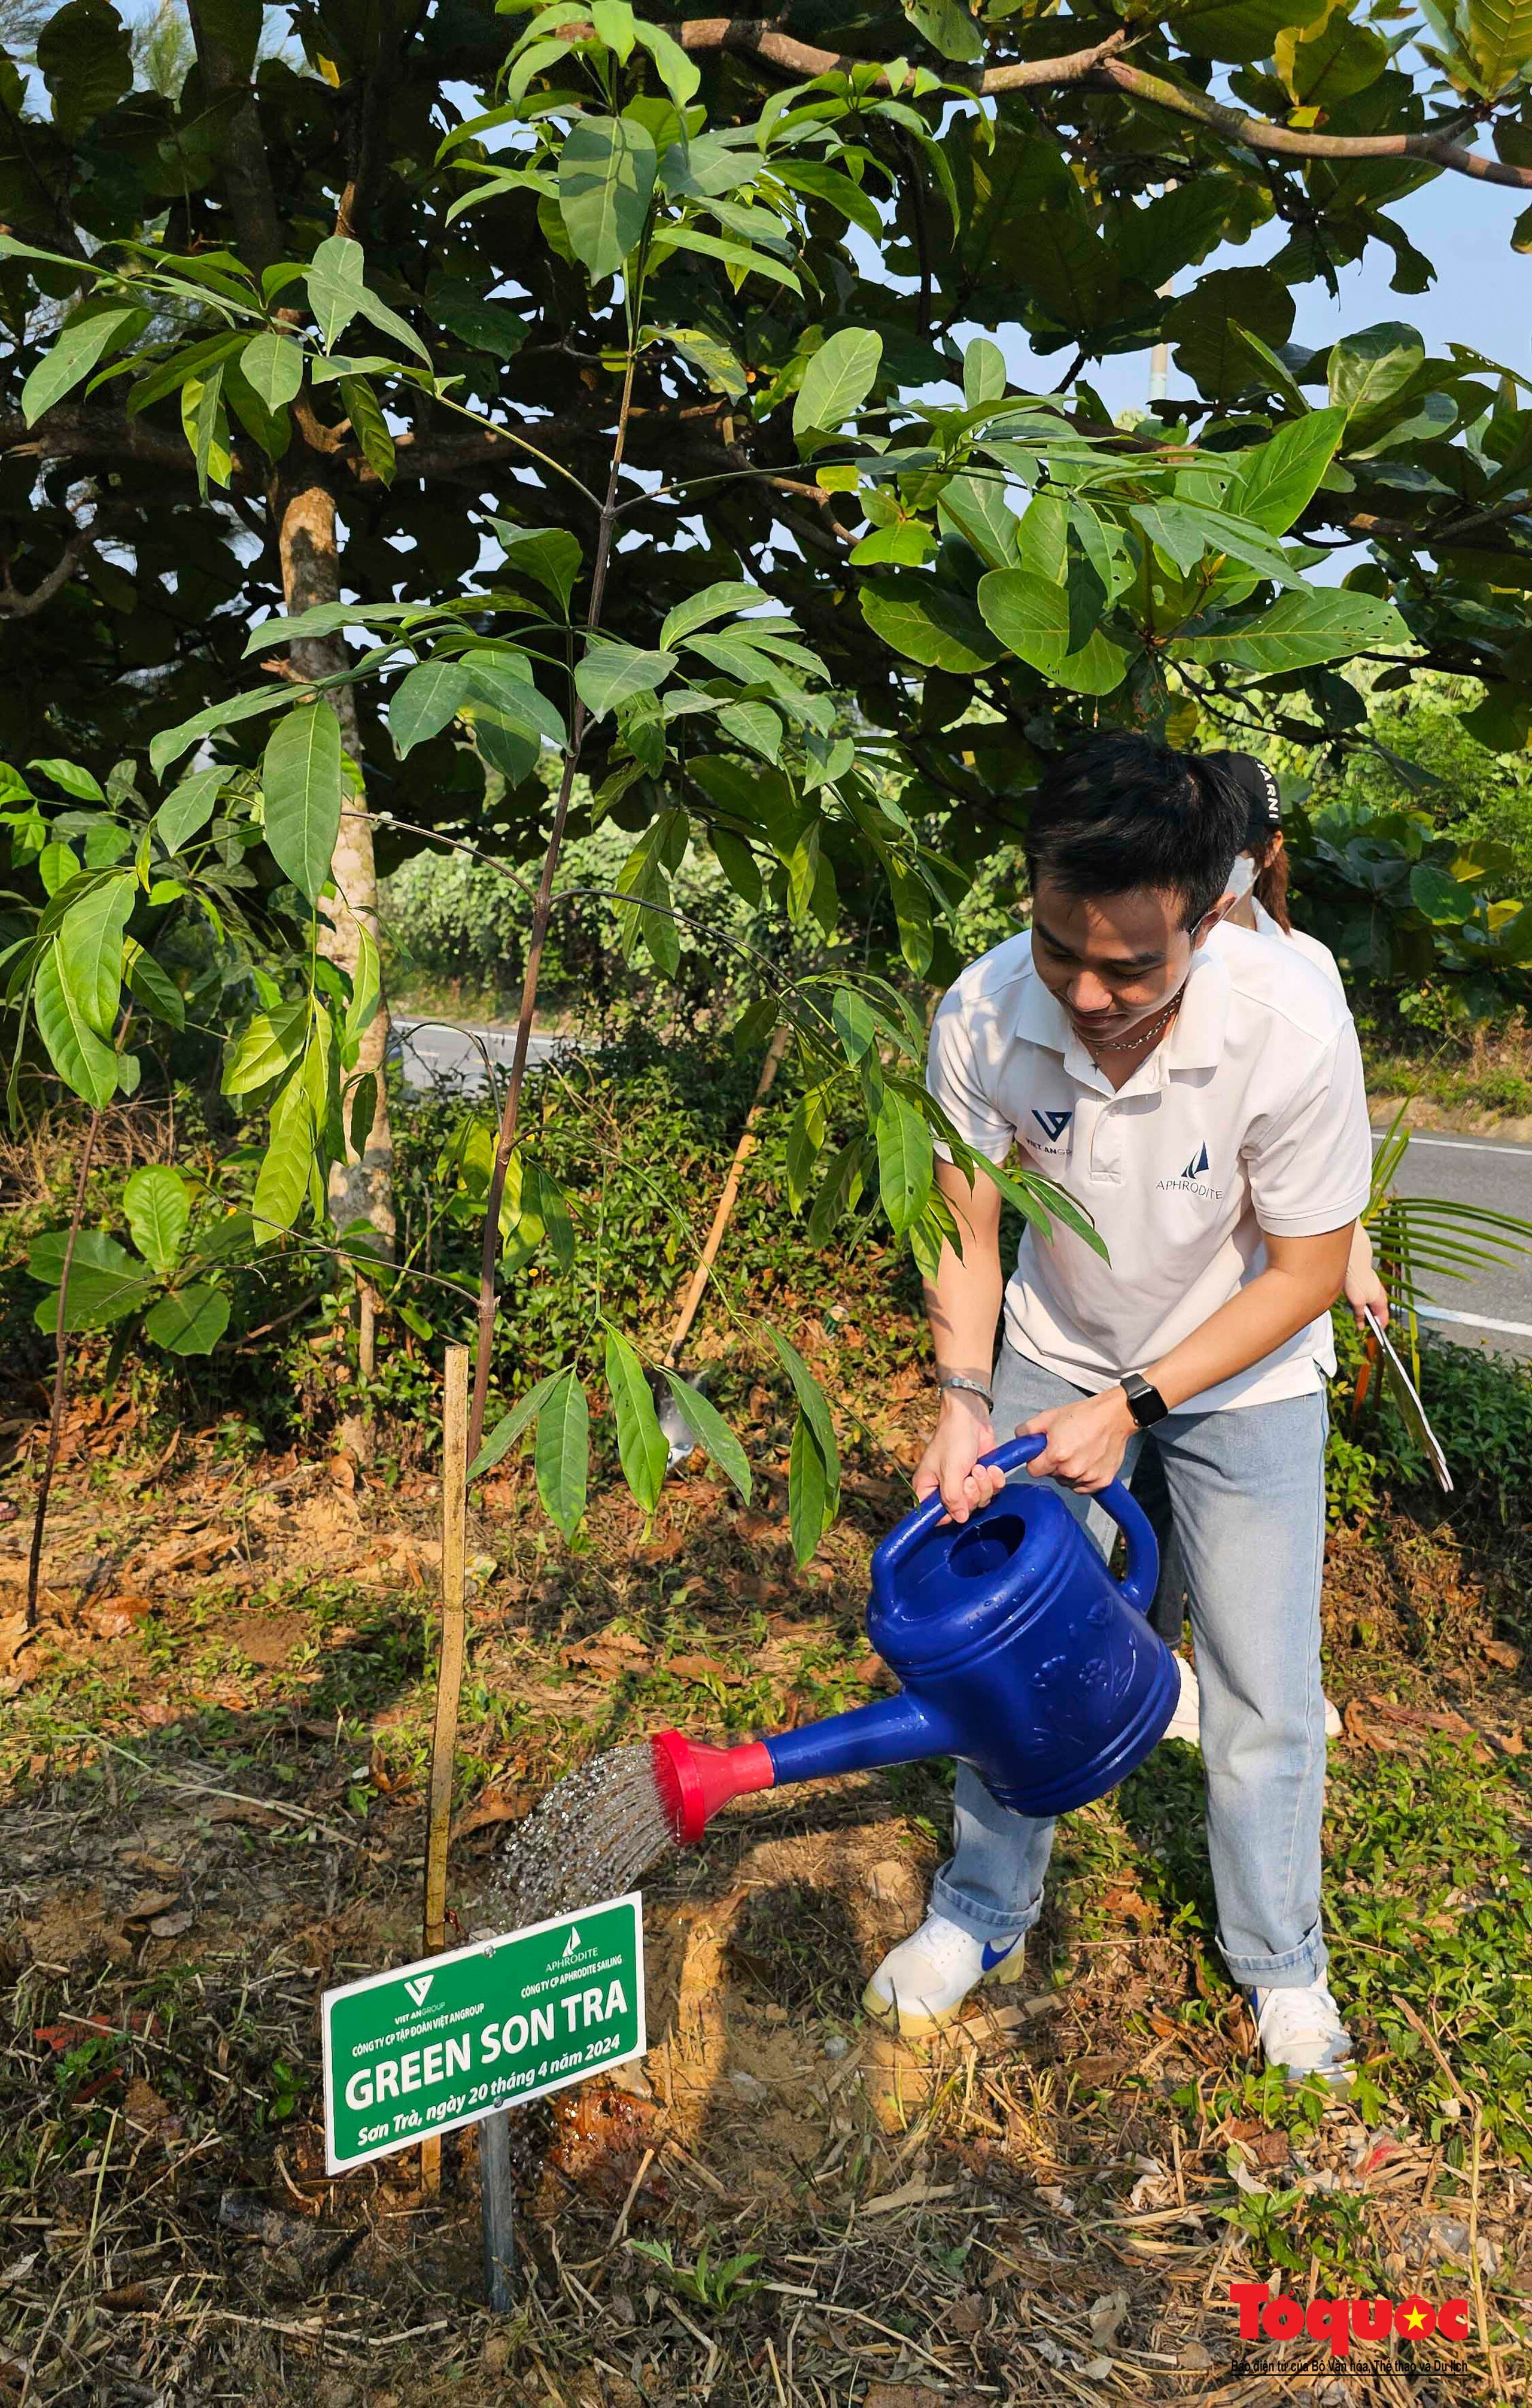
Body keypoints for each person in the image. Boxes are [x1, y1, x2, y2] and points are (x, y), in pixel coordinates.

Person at [864, 734, 1372, 2087]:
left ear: (1205, 917)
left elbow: (1309, 1269)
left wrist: (1136, 1401)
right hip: (1049, 1343)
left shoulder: (1289, 1017)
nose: (1085, 993)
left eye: (1129, 969)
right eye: (1056, 948)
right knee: (1003, 1656)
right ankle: (979, 1911)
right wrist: (963, 1398)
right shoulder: (979, 1014)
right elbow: (966, 1223)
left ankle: (1282, 1964)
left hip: (1243, 1365)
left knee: (1261, 1684)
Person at [1146, 750, 1387, 1742]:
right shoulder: (1143, 955)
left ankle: (1262, 1684)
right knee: (1148, 1498)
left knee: (1257, 1524)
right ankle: (1153, 1670)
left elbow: (1325, 1161)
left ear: (1262, 855)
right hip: (1153, 1298)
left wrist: (1351, 1258)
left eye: (1236, 852)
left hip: (1261, 1305)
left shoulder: (1307, 970)